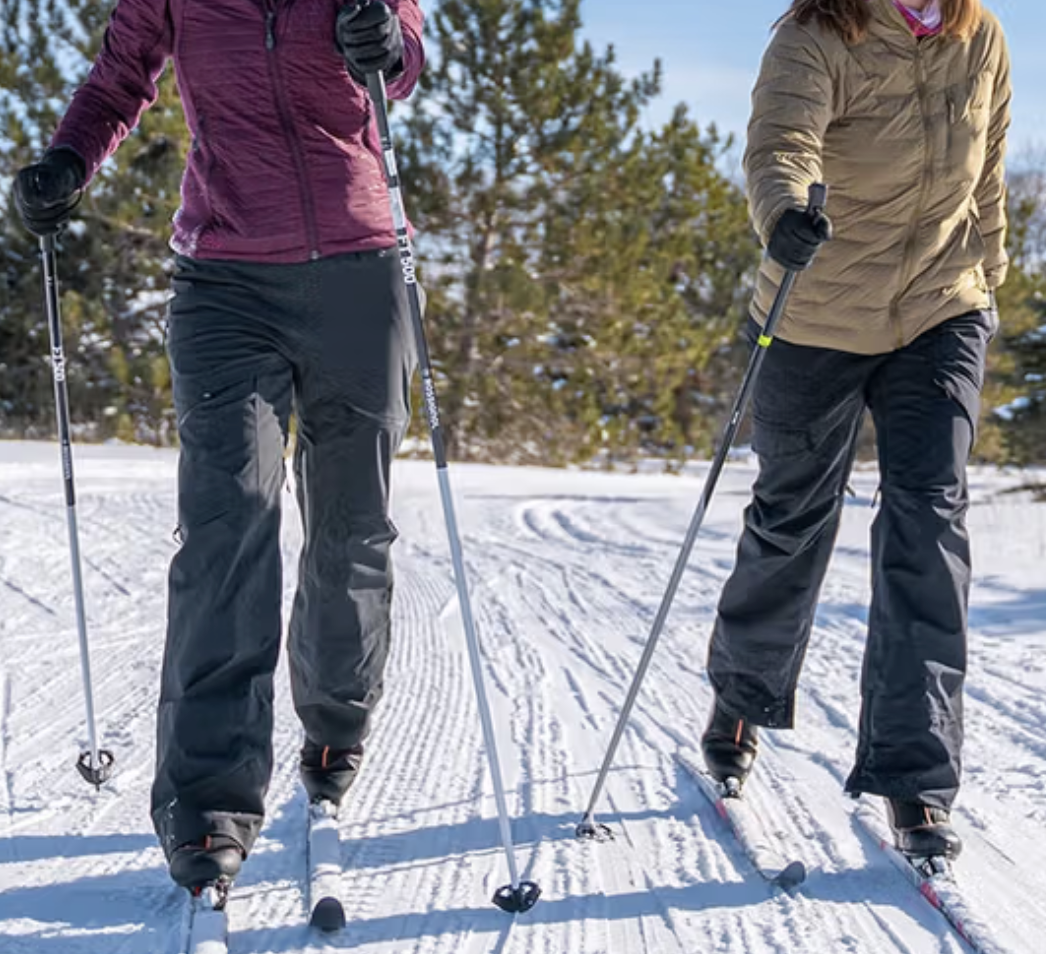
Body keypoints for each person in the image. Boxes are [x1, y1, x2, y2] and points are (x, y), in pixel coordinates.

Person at [13, 0, 425, 892]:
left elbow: (402, 61)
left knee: (352, 526)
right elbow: (122, 76)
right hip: (225, 277)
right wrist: (67, 158)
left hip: (360, 269)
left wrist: (389, 49)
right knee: (227, 520)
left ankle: (336, 722)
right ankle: (207, 801)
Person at [701, 0, 1010, 861]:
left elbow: (987, 181)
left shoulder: (980, 35)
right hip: (818, 309)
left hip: (940, 309)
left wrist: (988, 282)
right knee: (792, 516)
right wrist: (786, 212)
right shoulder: (815, 35)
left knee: (929, 519)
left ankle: (916, 777)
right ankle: (742, 697)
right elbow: (780, 147)